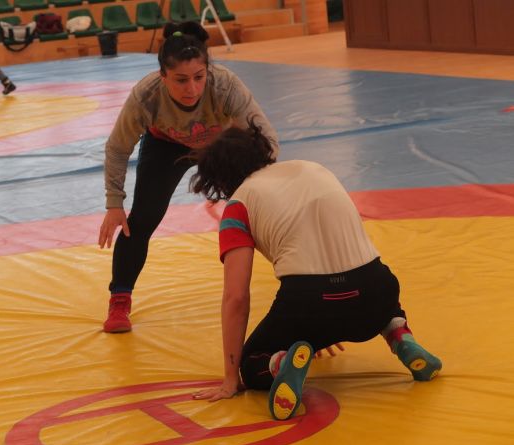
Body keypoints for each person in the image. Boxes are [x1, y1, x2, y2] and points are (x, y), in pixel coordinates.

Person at [189, 122, 442, 420]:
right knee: (382, 300)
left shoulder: (238, 204)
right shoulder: (313, 168)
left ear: (219, 180)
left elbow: (236, 296)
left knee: (251, 364)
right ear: (262, 151)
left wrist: (231, 378)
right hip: (376, 291)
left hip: (310, 305)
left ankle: (281, 363)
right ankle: (399, 334)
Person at [98, 21, 279, 333]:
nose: (192, 89)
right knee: (141, 219)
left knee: (262, 214)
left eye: (198, 77)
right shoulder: (147, 96)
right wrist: (114, 203)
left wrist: (269, 186)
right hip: (166, 146)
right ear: (162, 76)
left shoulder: (225, 85)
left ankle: (297, 287)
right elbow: (117, 148)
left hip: (219, 146)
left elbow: (266, 138)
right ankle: (120, 299)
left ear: (208, 70)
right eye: (180, 80)